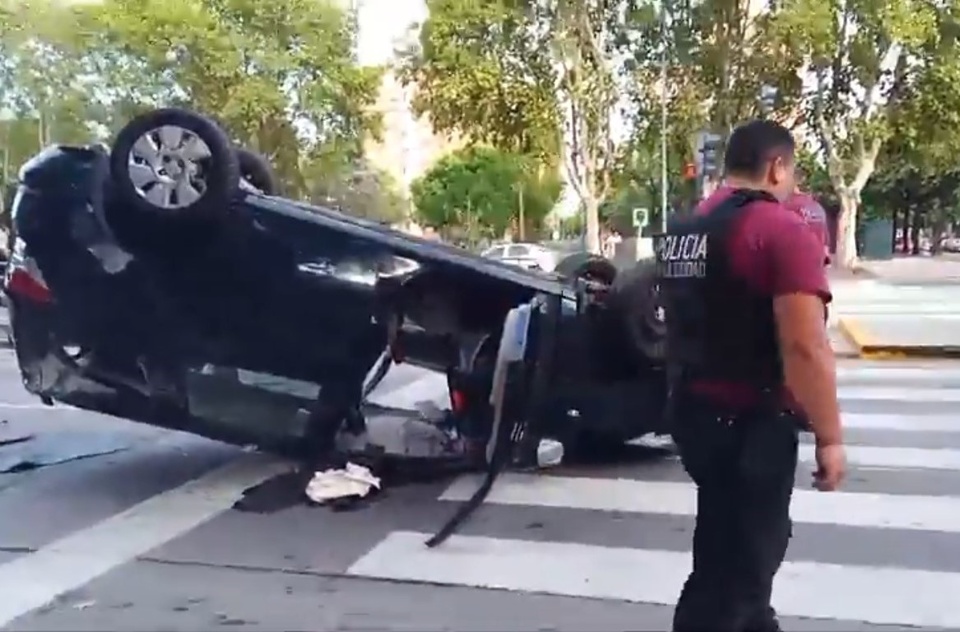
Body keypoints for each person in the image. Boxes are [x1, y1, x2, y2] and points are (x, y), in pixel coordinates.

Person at [655, 119, 846, 632]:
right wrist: (830, 438)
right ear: (776, 165)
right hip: (750, 422)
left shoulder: (686, 227)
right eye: (792, 170)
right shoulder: (780, 230)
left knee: (727, 553)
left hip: (693, 410)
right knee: (740, 574)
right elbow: (805, 346)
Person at [785, 173, 831, 264]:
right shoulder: (817, 207)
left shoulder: (789, 205)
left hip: (797, 261)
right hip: (817, 260)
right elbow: (825, 238)